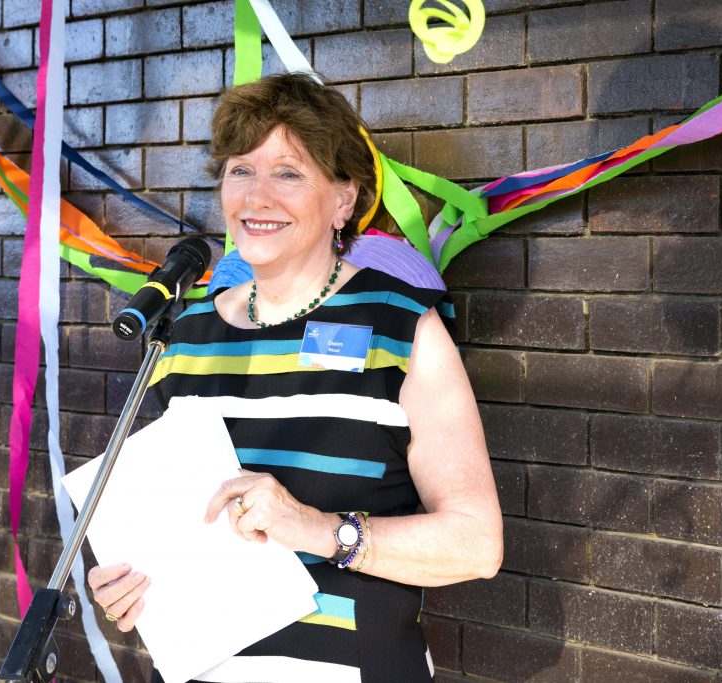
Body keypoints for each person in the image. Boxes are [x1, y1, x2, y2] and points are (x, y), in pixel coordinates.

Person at [87, 72, 502, 683]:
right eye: (239, 170)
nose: (256, 198)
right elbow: (180, 529)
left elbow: (476, 543)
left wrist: (314, 528)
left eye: (288, 172)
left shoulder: (399, 325)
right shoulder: (183, 337)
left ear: (342, 199)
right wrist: (132, 583)